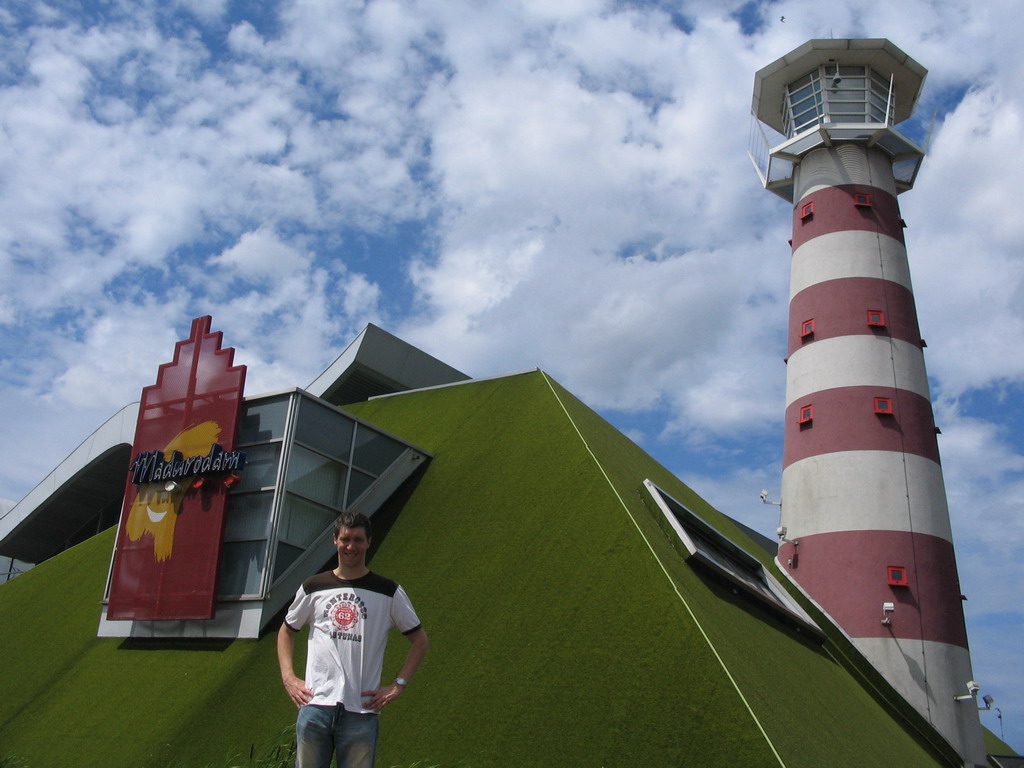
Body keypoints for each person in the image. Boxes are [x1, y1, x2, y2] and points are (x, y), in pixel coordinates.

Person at [277, 511, 429, 768]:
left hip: (361, 712)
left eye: (358, 540)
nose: (351, 546)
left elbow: (420, 641)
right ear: (334, 540)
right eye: (345, 539)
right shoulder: (314, 586)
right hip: (316, 707)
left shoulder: (388, 591)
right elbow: (286, 632)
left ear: (369, 542)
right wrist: (289, 677)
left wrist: (397, 685)